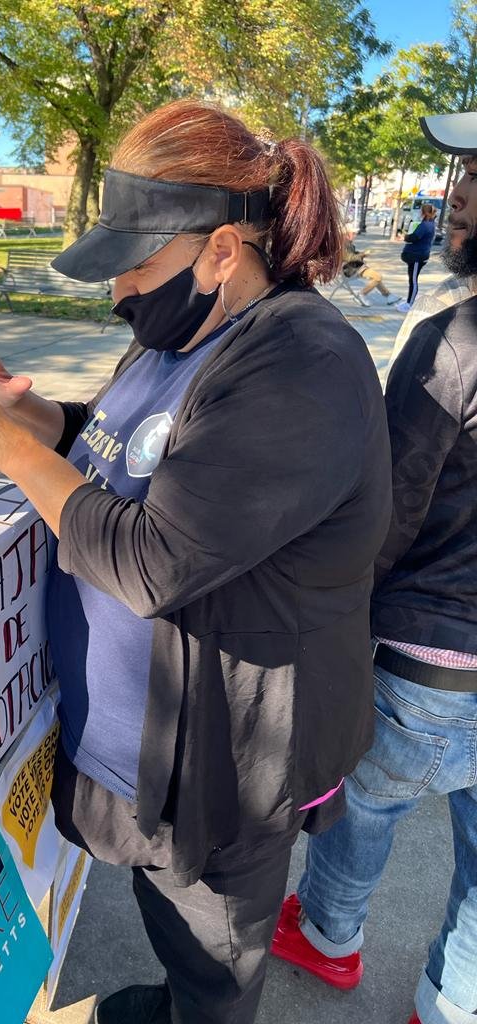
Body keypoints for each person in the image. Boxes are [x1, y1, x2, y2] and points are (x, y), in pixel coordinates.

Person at [0, 98, 392, 1024]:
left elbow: (156, 556)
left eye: (137, 263)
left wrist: (18, 458)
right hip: (138, 753)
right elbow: (132, 456)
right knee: (171, 932)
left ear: (222, 249)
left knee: (214, 963)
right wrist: (37, 419)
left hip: (223, 767)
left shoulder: (302, 361)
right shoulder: (179, 334)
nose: (121, 290)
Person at [271, 110, 477, 1024]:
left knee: (366, 806)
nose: (459, 189)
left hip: (432, 652)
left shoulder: (458, 343)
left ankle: (329, 935)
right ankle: (453, 1001)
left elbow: (385, 510)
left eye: (476, 173)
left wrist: (326, 614)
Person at [397, 202, 437, 312]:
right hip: (418, 255)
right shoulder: (429, 223)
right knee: (412, 279)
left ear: (424, 212)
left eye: (421, 211)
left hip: (418, 256)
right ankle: (409, 301)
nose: (419, 212)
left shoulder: (425, 225)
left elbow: (414, 237)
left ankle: (410, 304)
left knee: (413, 280)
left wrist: (405, 236)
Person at [342, 232, 401, 306]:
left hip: (356, 267)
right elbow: (349, 258)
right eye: (353, 234)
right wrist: (363, 254)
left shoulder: (348, 244)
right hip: (352, 269)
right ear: (347, 235)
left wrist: (363, 254)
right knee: (378, 277)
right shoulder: (343, 245)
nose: (355, 235)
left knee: (377, 277)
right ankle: (362, 294)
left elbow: (352, 255)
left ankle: (388, 295)